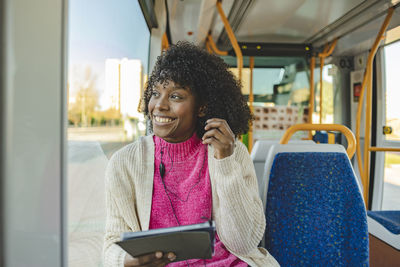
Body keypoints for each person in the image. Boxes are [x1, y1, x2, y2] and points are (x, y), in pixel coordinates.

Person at [103, 41, 279, 267]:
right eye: (156, 93)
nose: (159, 106)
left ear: (202, 107)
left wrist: (225, 162)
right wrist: (126, 261)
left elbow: (244, 244)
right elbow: (111, 244)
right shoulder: (124, 163)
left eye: (175, 96)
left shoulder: (230, 151)